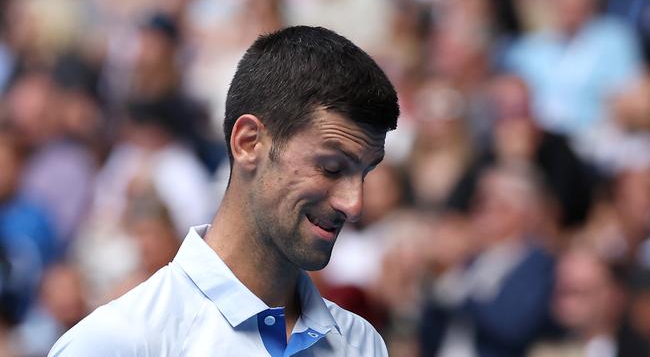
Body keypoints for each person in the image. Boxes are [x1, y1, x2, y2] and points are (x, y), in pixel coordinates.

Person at [48, 25, 400, 356]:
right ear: (248, 143)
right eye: (332, 168)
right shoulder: (114, 343)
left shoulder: (363, 344)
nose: (354, 204)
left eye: (364, 173)